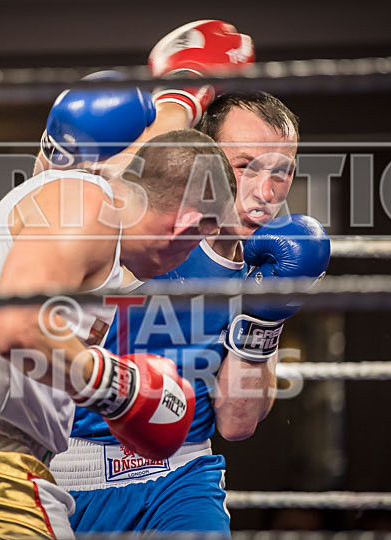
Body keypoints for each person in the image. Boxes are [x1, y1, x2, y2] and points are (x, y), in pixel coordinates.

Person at [0, 76, 238, 537]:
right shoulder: (82, 204)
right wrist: (121, 388)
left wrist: (180, 95)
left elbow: (158, 164)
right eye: (196, 241)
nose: (186, 258)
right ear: (187, 227)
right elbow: (18, 328)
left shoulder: (86, 214)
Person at [51, 90, 331, 535]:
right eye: (245, 167)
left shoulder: (270, 265)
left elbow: (237, 423)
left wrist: (264, 313)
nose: (265, 192)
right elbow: (55, 197)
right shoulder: (140, 227)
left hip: (182, 475)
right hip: (70, 472)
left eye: (283, 172)